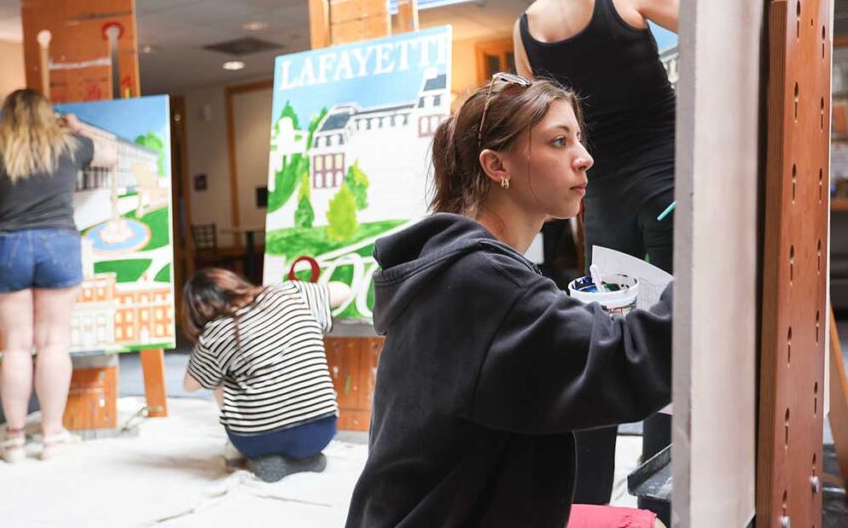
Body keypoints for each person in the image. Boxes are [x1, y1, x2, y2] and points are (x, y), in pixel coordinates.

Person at [345, 76, 673, 527]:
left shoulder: (455, 267)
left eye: (578, 138)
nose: (585, 157)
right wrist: (705, 277)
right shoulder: (480, 279)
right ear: (497, 165)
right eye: (559, 141)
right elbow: (626, 365)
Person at [514, 0, 680, 513]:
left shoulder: (527, 25)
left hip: (602, 200)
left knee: (608, 342)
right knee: (671, 340)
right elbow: (730, 35)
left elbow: (547, 123)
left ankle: (584, 507)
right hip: (670, 187)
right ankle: (662, 506)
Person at [0, 88, 114, 462]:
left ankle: (13, 440)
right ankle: (52, 436)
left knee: (15, 346)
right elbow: (109, 154)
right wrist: (78, 126)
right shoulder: (69, 145)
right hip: (58, 243)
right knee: (53, 344)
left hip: (8, 245)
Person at [181, 267, 352, 482]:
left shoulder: (216, 333)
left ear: (198, 309)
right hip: (321, 431)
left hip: (257, 440)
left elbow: (190, 385)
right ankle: (305, 459)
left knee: (218, 372)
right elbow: (344, 290)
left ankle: (256, 456)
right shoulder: (290, 293)